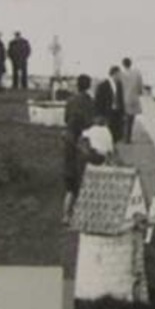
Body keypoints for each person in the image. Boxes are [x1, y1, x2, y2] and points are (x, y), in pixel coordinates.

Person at [62, 76, 97, 223]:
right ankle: (83, 214)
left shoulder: (70, 101)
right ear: (88, 86)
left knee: (70, 184)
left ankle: (66, 215)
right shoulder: (90, 102)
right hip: (83, 142)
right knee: (83, 179)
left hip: (69, 142)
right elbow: (91, 122)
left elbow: (65, 118)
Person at [118, 57, 145, 143]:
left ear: (123, 64)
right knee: (131, 119)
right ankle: (128, 138)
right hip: (134, 98)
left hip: (124, 98)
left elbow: (118, 87)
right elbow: (140, 85)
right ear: (131, 63)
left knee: (125, 119)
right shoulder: (137, 73)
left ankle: (124, 137)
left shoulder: (121, 74)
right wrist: (139, 92)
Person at [94, 66, 124, 140]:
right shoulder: (103, 85)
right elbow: (99, 101)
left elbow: (121, 99)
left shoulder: (119, 85)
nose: (120, 76)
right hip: (107, 113)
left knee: (117, 133)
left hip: (117, 112)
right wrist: (100, 114)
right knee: (108, 133)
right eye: (119, 74)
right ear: (115, 74)